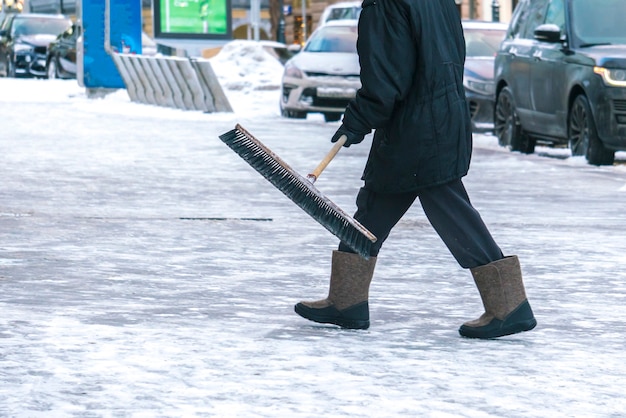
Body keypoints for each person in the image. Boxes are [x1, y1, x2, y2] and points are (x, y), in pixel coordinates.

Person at [294, 0, 537, 339]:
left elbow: (387, 77)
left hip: (416, 127)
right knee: (376, 205)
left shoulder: (385, 4)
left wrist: (358, 119)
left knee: (450, 208)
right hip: (440, 116)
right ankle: (346, 301)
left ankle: (508, 305)